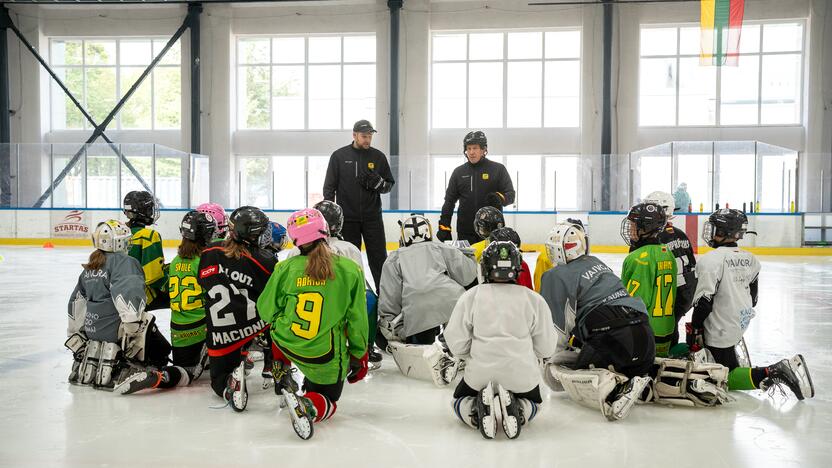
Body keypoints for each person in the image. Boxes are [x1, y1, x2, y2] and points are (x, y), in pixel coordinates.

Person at [257, 208, 368, 436]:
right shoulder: (349, 270)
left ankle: (281, 370)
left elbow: (265, 310)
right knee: (329, 400)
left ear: (296, 240)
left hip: (287, 343)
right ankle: (307, 405)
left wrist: (281, 323)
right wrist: (359, 354)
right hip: (323, 354)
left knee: (278, 329)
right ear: (325, 230)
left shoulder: (284, 268)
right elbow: (357, 319)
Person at [688, 209, 814, 400]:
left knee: (722, 377)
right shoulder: (750, 258)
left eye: (714, 228)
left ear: (723, 232)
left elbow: (704, 302)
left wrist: (696, 328)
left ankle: (775, 370)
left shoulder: (711, 260)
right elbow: (753, 297)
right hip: (740, 321)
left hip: (719, 327)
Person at [538, 221, 654, 421]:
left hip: (610, 337)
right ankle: (643, 375)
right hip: (644, 334)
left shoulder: (554, 275)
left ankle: (615, 385)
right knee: (622, 356)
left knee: (554, 367)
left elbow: (557, 331)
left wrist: (547, 359)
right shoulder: (596, 262)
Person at [444, 241, 556, 440]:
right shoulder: (534, 300)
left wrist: (469, 354)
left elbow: (455, 341)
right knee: (537, 403)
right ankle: (520, 409)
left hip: (479, 376)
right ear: (517, 268)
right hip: (522, 377)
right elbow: (546, 348)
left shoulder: (471, 296)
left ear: (485, 268)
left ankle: (475, 412)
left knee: (457, 399)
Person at [115, 211, 217, 395]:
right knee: (189, 374)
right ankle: (159, 377)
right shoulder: (205, 261)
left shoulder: (177, 261)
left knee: (184, 368)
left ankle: (161, 373)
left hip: (178, 330)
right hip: (201, 328)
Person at [65, 220, 171, 390]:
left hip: (93, 331)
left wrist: (76, 335)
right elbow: (128, 293)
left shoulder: (90, 267)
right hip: (116, 332)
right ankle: (134, 364)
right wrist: (132, 326)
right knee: (155, 335)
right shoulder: (125, 262)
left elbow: (76, 303)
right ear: (118, 241)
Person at [378, 214, 477, 386]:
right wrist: (468, 256)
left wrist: (392, 327)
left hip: (417, 311)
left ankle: (432, 355)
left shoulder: (394, 258)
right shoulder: (441, 248)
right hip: (452, 302)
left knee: (422, 345)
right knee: (455, 331)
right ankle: (456, 352)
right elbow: (468, 276)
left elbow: (390, 296)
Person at [197, 206, 277, 411]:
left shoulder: (210, 251)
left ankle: (229, 387)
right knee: (274, 318)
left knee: (218, 382)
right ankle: (273, 366)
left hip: (219, 332)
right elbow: (274, 297)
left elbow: (203, 282)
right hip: (252, 326)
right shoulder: (265, 260)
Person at [322, 119, 394, 292]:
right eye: (364, 136)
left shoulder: (378, 157)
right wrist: (331, 219)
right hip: (347, 220)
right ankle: (349, 295)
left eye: (370, 136)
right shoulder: (339, 156)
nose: (367, 140)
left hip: (373, 218)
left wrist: (380, 184)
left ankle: (384, 299)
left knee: (379, 259)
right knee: (347, 260)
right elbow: (329, 188)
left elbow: (389, 185)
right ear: (354, 135)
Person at [437, 131, 515, 245]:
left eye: (475, 148)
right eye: (468, 148)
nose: (471, 152)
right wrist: (444, 226)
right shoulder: (458, 172)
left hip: (492, 231)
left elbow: (511, 195)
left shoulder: (498, 169)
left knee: (489, 262)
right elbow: (449, 202)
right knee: (466, 262)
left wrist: (500, 198)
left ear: (483, 150)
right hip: (465, 232)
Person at [620, 202, 677, 358]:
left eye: (633, 225)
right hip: (667, 331)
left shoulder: (637, 258)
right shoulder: (668, 253)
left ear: (645, 228)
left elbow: (635, 304)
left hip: (646, 334)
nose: (630, 229)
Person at [643, 191, 698, 350]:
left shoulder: (654, 239)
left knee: (662, 330)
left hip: (668, 294)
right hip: (686, 292)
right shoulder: (680, 233)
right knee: (671, 324)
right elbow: (691, 263)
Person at [123, 191, 168, 310]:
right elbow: (154, 278)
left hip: (118, 294)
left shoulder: (118, 231)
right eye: (149, 209)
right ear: (143, 212)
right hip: (138, 296)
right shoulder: (149, 235)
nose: (152, 212)